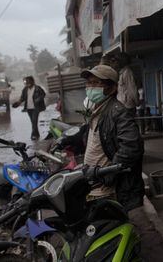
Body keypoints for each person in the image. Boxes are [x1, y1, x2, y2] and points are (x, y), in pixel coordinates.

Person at [62, 64, 145, 211]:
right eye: (88, 83)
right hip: (95, 185)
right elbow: (93, 137)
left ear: (112, 88)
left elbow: (132, 147)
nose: (90, 87)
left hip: (111, 191)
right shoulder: (96, 109)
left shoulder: (119, 113)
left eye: (95, 83)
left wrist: (109, 173)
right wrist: (68, 140)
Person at [13, 76, 46, 140]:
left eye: (28, 81)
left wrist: (38, 99)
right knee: (33, 122)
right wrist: (18, 103)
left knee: (34, 121)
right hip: (28, 108)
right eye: (25, 81)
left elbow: (43, 94)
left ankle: (33, 135)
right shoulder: (25, 89)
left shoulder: (37, 88)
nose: (27, 83)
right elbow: (22, 98)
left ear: (32, 81)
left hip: (36, 107)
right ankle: (37, 134)